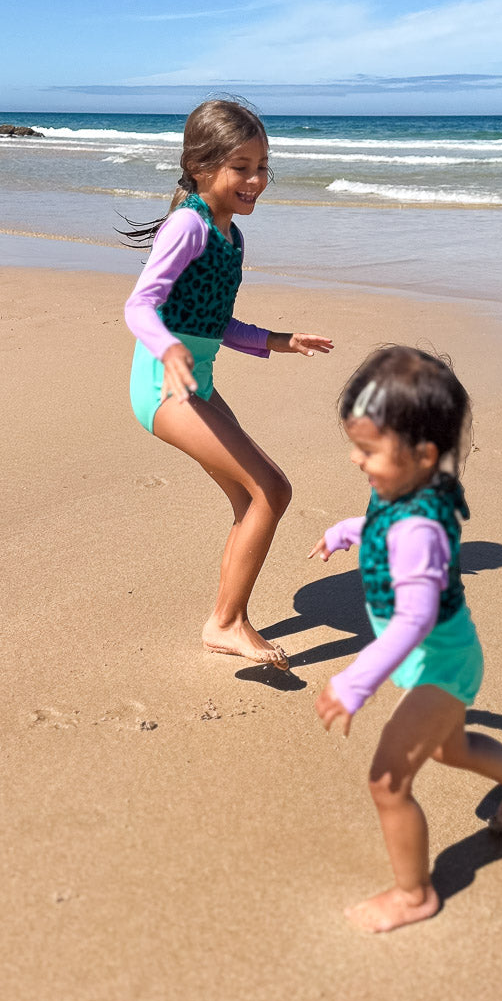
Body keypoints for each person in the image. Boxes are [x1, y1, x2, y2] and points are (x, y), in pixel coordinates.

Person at [310, 346, 502, 932]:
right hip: (445, 659)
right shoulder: (404, 493)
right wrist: (349, 531)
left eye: (369, 450)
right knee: (455, 750)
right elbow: (381, 529)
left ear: (423, 453)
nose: (357, 460)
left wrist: (357, 680)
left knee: (388, 782)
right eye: (356, 444)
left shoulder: (422, 528)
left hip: (438, 665)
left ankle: (414, 894)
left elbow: (413, 620)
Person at [123, 100, 333, 668]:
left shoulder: (230, 237)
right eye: (242, 166)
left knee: (251, 497)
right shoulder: (188, 226)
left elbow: (216, 323)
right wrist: (166, 347)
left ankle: (227, 617)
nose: (257, 180)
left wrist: (281, 340)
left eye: (263, 166)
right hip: (164, 387)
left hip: (198, 385)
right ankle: (227, 622)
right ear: (200, 166)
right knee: (273, 489)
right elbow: (140, 305)